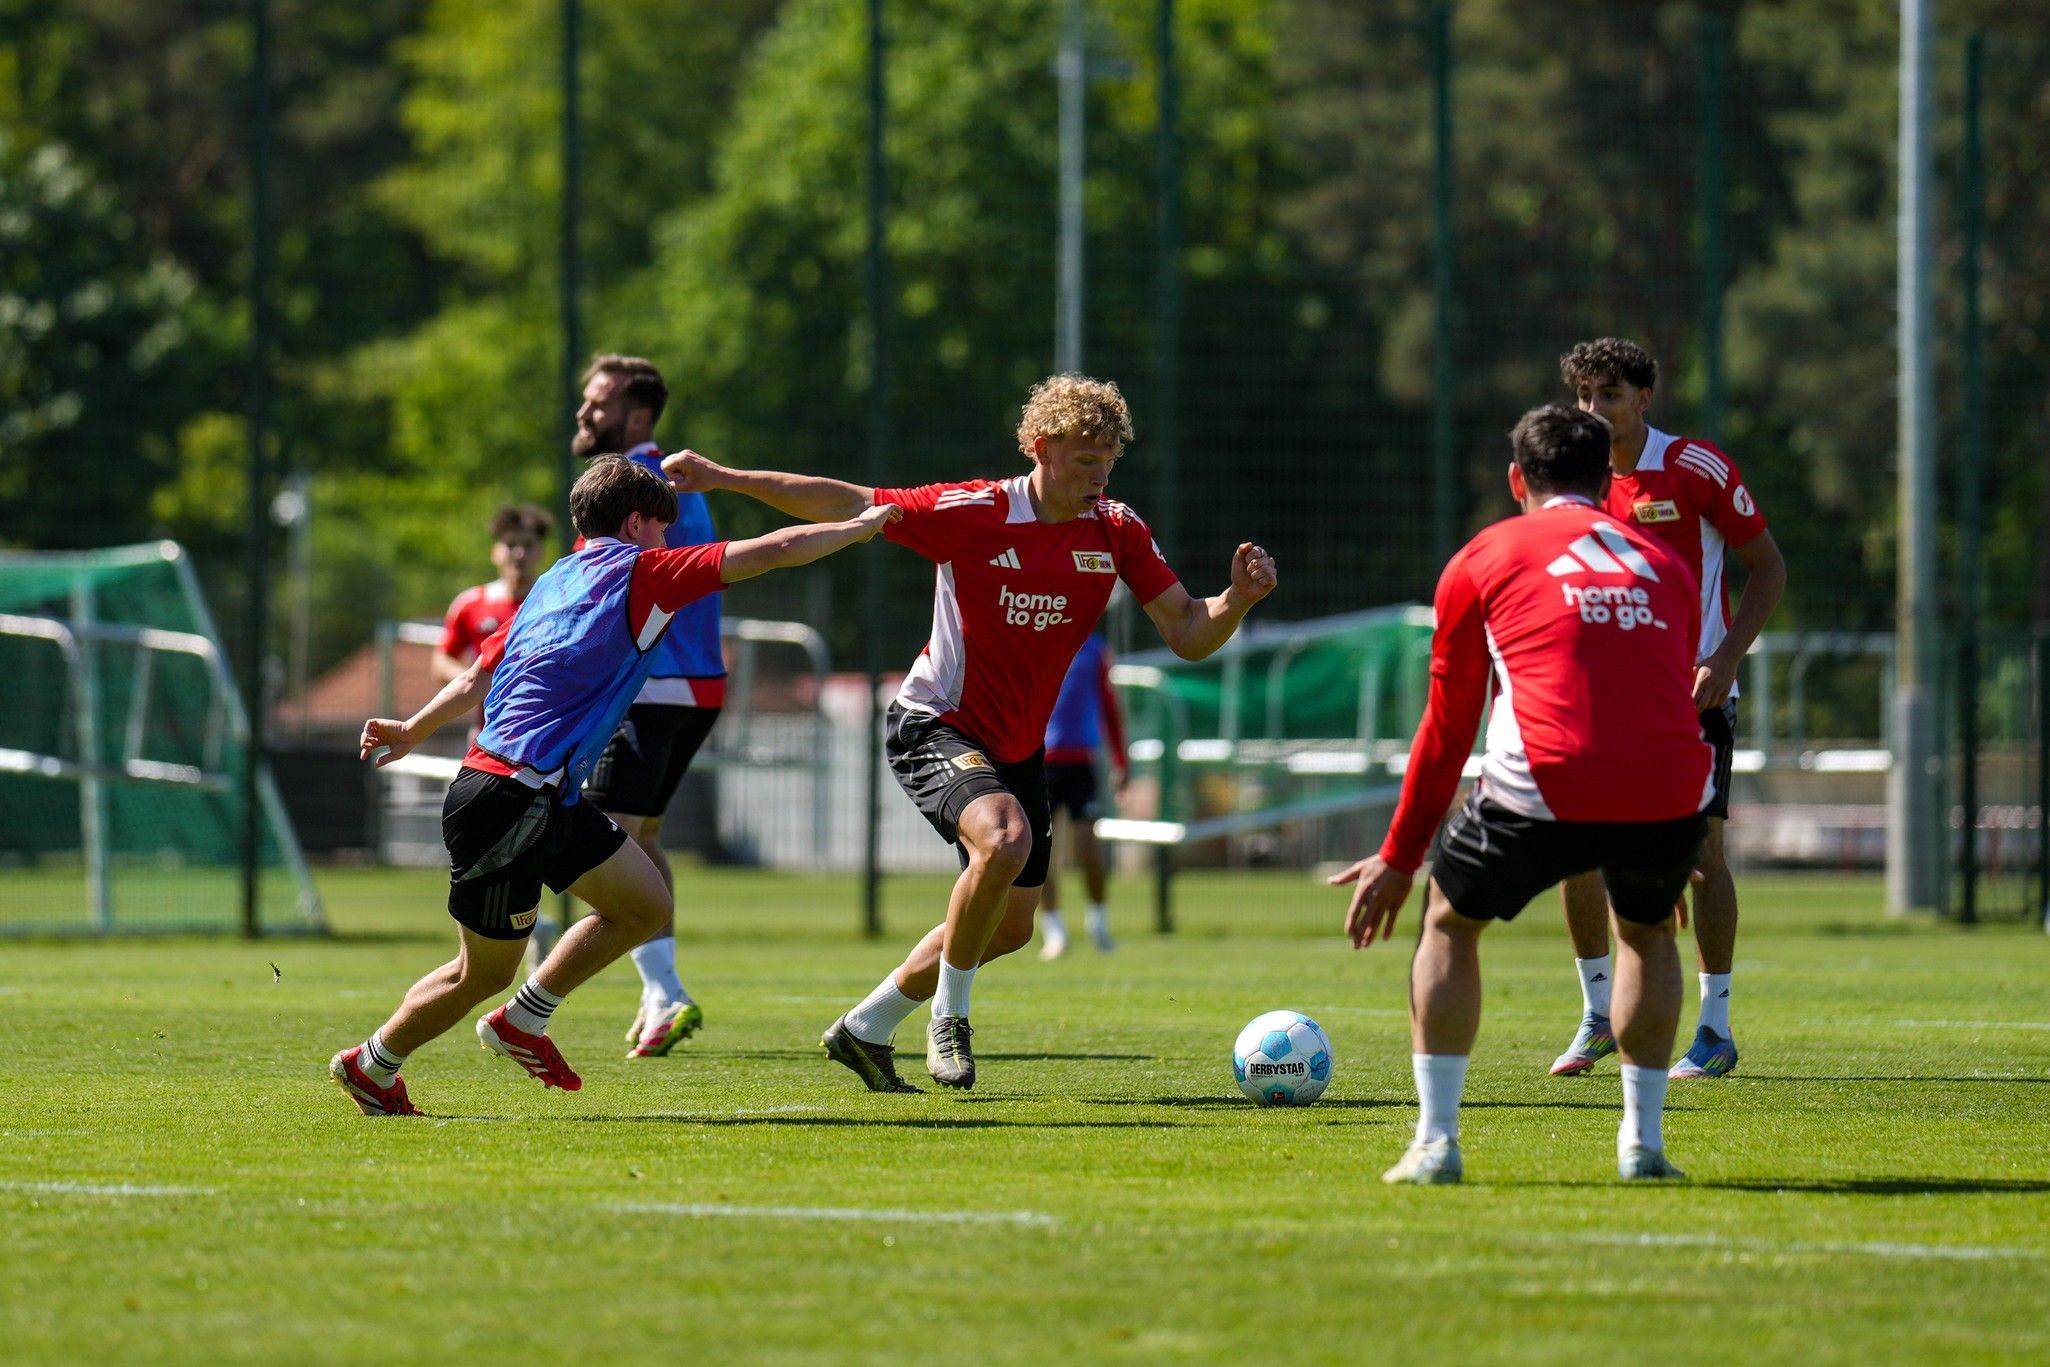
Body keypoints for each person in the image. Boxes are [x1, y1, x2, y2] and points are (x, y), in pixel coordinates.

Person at [662, 374, 1278, 1093]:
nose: (1100, 477)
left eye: (1109, 462)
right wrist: (723, 477)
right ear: (1041, 447)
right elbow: (848, 501)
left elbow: (1188, 630)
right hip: (935, 722)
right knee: (1004, 839)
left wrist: (1237, 599)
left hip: (1018, 749)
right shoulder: (975, 510)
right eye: (1086, 460)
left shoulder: (1117, 530)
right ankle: (949, 1019)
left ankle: (864, 1027)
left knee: (1011, 926)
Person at [330, 456, 895, 1117]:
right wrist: (858, 528)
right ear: (635, 524)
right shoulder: (645, 572)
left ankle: (510, 1023)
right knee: (479, 973)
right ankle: (377, 1063)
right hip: (512, 799)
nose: (667, 541)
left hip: (525, 794)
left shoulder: (554, 579)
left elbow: (477, 675)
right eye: (662, 528)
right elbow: (775, 549)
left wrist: (412, 727)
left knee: (644, 905)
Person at [1331, 405, 1712, 1185]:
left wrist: (1400, 857)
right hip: (1667, 791)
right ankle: (1643, 1146)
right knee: (1647, 932)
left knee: (1449, 919)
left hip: (1543, 780)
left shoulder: (1485, 555)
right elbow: (1667, 696)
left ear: (1517, 480)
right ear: (1608, 482)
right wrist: (1674, 832)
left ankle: (1436, 1142)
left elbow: (1448, 725)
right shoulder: (1664, 563)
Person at [1546, 338, 1786, 1081]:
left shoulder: (1694, 467)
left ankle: (1714, 1029)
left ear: (1644, 398)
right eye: (1584, 396)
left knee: (1702, 863)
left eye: (1610, 395)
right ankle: (1598, 1015)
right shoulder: (1574, 482)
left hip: (1693, 700)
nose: (1594, 410)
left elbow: (1768, 567)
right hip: (1605, 702)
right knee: (1577, 852)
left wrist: (1726, 657)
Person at [571, 354, 729, 1060]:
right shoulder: (670, 479)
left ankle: (659, 992)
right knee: (643, 838)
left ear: (637, 415)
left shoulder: (628, 489)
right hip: (695, 687)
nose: (585, 412)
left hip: (653, 688)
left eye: (599, 402)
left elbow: (600, 596)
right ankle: (658, 990)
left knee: (599, 841)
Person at [1036, 622, 1129, 959]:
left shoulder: (1095, 649)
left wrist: (1120, 759)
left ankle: (1099, 923)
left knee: (1088, 849)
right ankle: (1054, 931)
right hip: (1039, 762)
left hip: (1081, 764)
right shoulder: (1037, 639)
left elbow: (1109, 704)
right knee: (1041, 855)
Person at [432, 503, 553, 706]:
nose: (519, 553)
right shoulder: (471, 603)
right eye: (511, 545)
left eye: (528, 545)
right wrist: (478, 683)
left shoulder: (557, 603)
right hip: (488, 725)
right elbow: (441, 662)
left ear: (541, 552)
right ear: (495, 552)